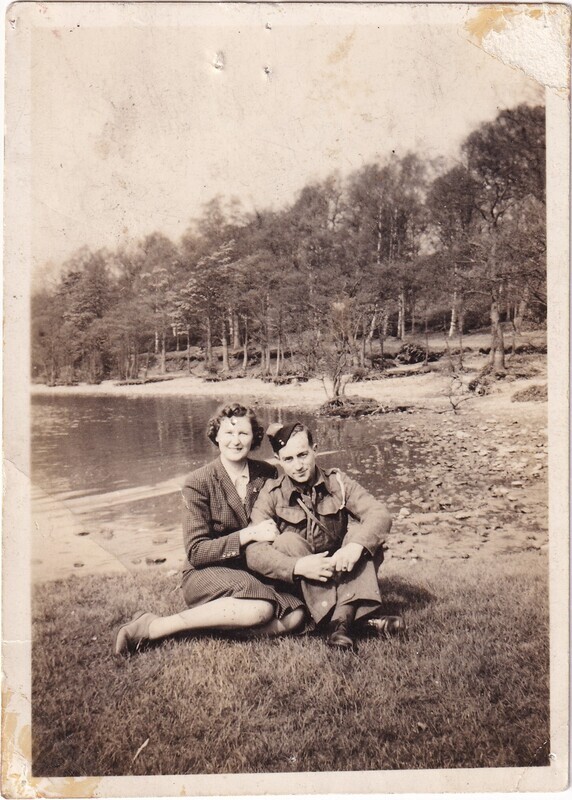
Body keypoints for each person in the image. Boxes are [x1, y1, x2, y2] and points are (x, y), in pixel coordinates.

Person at [114, 404, 305, 656]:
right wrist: (247, 535)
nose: (235, 441)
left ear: (254, 438)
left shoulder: (266, 473)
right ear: (216, 435)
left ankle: (201, 629)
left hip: (253, 570)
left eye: (243, 434)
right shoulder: (198, 482)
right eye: (228, 433)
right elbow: (196, 551)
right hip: (206, 572)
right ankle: (154, 626)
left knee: (296, 616)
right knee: (262, 610)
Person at [245, 421, 404, 650]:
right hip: (301, 583)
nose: (298, 466)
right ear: (278, 460)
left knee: (363, 534)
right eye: (288, 459)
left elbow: (379, 513)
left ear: (315, 449)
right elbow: (254, 552)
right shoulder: (271, 494)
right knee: (286, 541)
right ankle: (351, 622)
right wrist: (297, 566)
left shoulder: (337, 482)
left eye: (303, 455)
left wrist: (355, 547)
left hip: (340, 570)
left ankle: (337, 625)